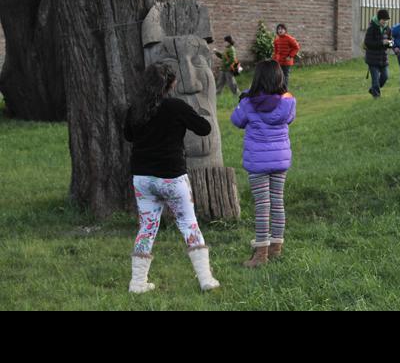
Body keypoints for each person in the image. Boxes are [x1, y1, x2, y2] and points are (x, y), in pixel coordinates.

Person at [124, 62, 220, 293]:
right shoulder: (177, 107)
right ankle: (205, 279)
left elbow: (128, 136)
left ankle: (138, 283)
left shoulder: (135, 108)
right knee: (189, 225)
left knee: (147, 227)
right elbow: (204, 128)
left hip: (143, 179)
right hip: (172, 178)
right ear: (171, 83)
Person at [231, 61, 297, 268]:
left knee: (262, 206)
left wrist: (244, 97)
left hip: (258, 161)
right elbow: (290, 119)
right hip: (280, 160)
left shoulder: (249, 102)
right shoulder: (288, 102)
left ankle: (261, 254)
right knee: (277, 202)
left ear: (257, 79)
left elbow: (236, 120)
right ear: (279, 78)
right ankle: (276, 247)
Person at [364, 9, 393, 98]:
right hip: (372, 59)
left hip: (383, 59)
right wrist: (381, 43)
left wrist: (390, 43)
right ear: (379, 19)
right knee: (375, 80)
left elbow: (391, 42)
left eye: (386, 20)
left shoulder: (388, 29)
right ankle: (377, 97)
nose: (385, 22)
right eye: (383, 20)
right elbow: (367, 43)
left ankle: (373, 89)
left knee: (385, 77)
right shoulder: (371, 28)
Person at [273, 24, 301, 89]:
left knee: (285, 75)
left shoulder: (289, 39)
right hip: (279, 61)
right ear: (277, 31)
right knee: (279, 75)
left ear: (285, 30)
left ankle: (285, 90)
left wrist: (290, 56)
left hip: (287, 61)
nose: (280, 30)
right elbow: (276, 51)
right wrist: (274, 59)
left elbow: (296, 47)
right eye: (279, 29)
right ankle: (280, 89)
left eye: (282, 29)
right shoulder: (276, 40)